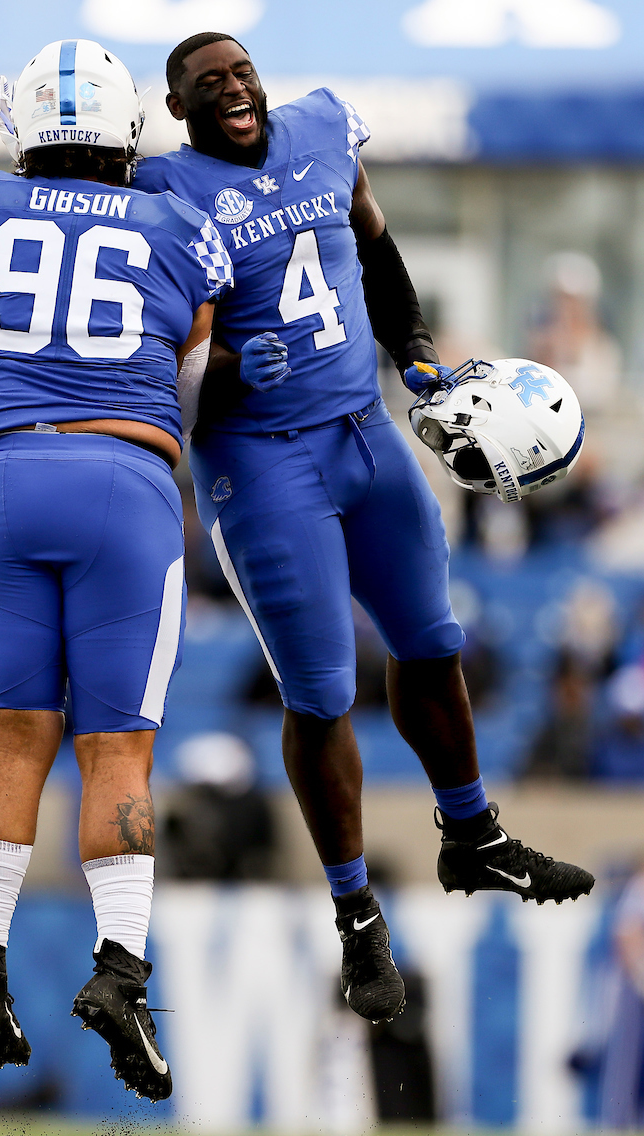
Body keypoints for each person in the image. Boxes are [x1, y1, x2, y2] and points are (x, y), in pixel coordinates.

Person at [133, 32, 595, 1023]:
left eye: (240, 71)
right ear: (179, 110)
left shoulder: (323, 130)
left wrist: (416, 348)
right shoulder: (163, 187)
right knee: (321, 691)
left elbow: (373, 242)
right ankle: (356, 918)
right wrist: (216, 374)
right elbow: (141, 339)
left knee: (431, 641)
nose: (232, 90)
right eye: (206, 84)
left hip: (361, 430)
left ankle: (471, 838)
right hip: (259, 458)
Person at [0, 38, 233, 1101]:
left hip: (1, 478)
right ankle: (118, 969)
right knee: (118, 756)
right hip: (122, 480)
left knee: (10, 741)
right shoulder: (176, 223)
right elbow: (190, 354)